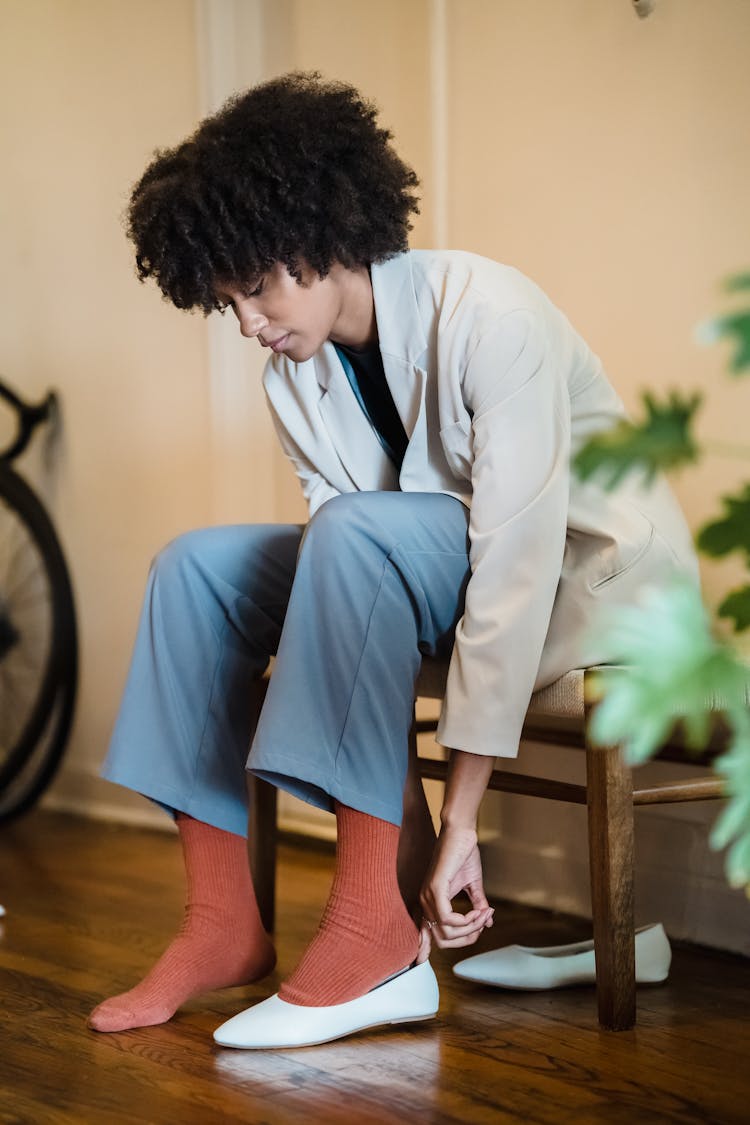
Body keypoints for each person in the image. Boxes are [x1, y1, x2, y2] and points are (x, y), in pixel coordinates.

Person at [89, 72, 697, 1047]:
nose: (247, 321)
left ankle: (375, 941)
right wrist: (420, 862)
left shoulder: (491, 315)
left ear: (324, 237)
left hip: (587, 577)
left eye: (257, 288)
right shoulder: (293, 373)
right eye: (226, 301)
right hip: (426, 570)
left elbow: (514, 562)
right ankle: (223, 926)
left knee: (355, 533)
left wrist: (460, 829)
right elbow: (352, 596)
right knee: (195, 569)